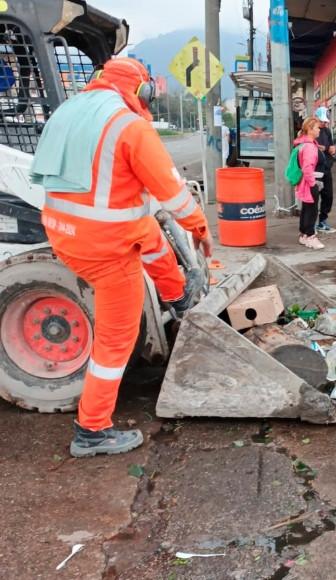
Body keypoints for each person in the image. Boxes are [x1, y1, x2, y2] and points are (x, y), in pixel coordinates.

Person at [30, 57, 213, 457]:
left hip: (65, 234)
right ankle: (92, 429)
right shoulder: (129, 126)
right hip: (105, 250)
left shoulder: (70, 112)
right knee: (116, 339)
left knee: (148, 232)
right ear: (141, 91)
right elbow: (174, 196)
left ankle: (177, 295)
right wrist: (200, 231)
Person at [293, 116, 326, 250]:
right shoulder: (310, 146)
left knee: (307, 209)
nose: (319, 130)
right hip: (311, 182)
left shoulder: (304, 143)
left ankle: (304, 235)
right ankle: (310, 236)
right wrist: (313, 183)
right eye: (317, 128)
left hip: (308, 182)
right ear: (310, 129)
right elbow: (307, 167)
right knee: (312, 210)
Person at [314, 106, 336, 234]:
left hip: (326, 167)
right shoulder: (310, 130)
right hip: (314, 169)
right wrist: (320, 148)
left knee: (328, 196)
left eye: (325, 121)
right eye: (321, 121)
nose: (323, 123)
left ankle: (323, 220)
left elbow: (329, 145)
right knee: (313, 197)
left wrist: (332, 148)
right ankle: (311, 224)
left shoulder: (327, 131)